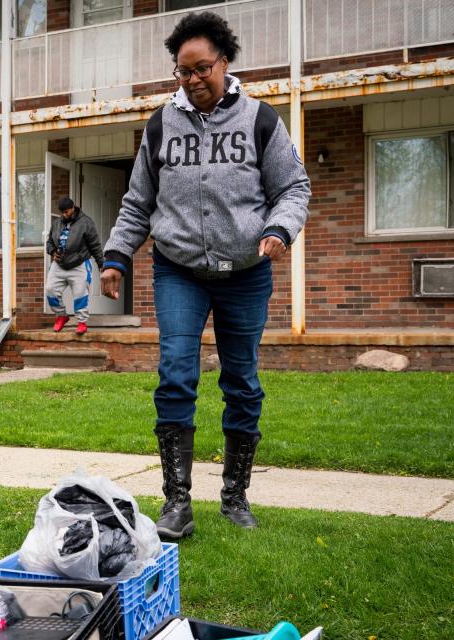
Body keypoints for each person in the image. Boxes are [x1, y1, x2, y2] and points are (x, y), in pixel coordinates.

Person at [100, 12, 310, 537]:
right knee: (176, 371)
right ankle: (177, 503)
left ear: (226, 62)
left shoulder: (262, 121)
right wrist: (115, 257)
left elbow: (294, 188)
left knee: (242, 381)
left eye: (203, 68)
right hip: (180, 271)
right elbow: (137, 202)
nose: (194, 80)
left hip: (245, 271)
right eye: (183, 72)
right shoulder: (159, 126)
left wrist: (279, 230)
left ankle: (235, 497)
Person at [45, 196, 104, 335]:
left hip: (79, 263)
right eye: (62, 213)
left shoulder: (86, 223)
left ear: (73, 208)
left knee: (80, 293)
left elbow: (95, 245)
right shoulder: (57, 223)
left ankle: (82, 322)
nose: (64, 215)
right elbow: (49, 242)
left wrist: (102, 264)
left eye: (67, 212)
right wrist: (52, 251)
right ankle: (61, 316)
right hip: (59, 264)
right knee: (50, 290)